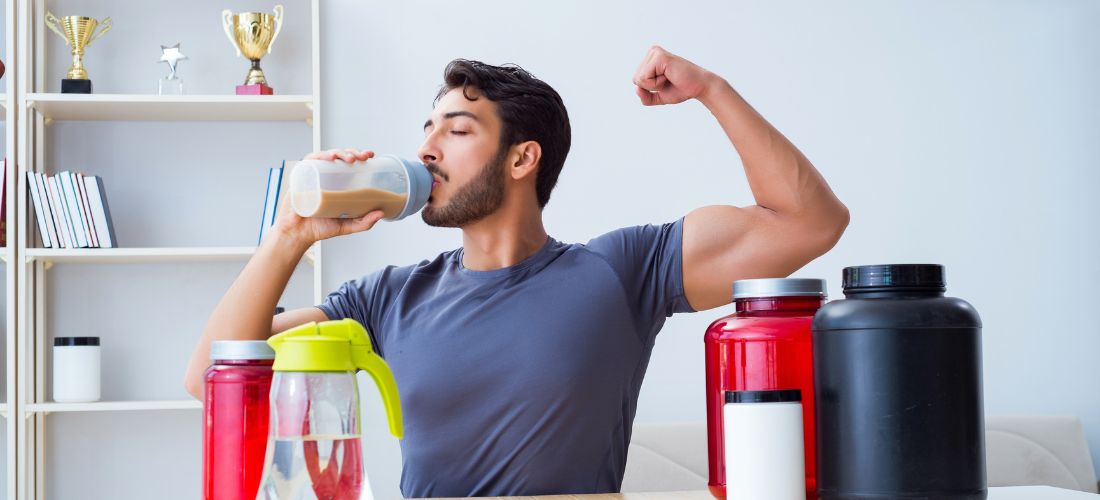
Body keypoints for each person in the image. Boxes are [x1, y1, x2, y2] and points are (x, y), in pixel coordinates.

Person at [185, 45, 849, 498]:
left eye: (458, 129)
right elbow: (209, 378)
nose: (425, 147)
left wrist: (711, 89)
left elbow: (808, 223)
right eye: (427, 128)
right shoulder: (386, 297)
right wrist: (289, 237)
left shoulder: (622, 271)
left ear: (522, 158)